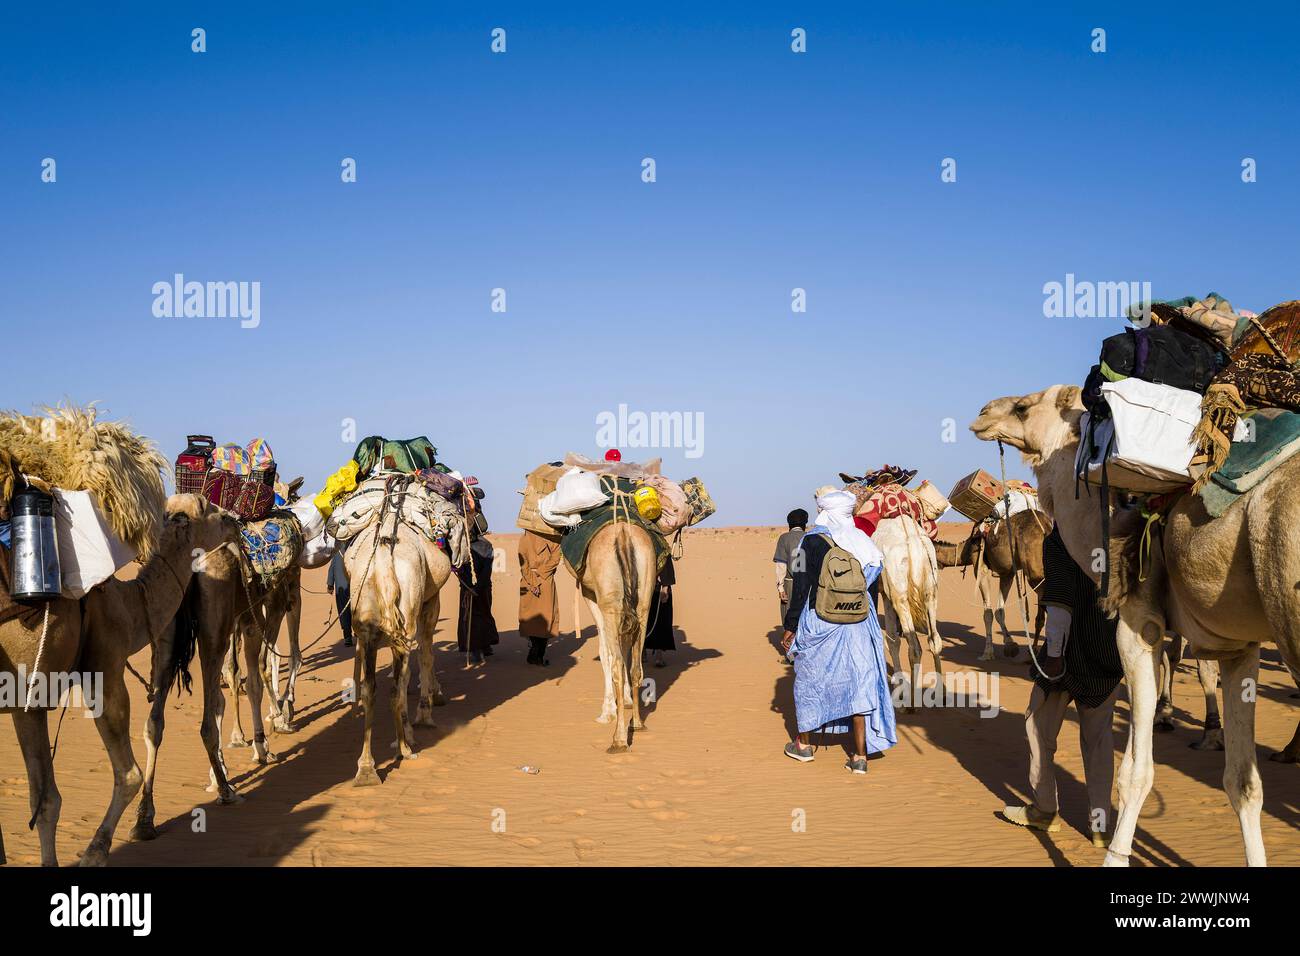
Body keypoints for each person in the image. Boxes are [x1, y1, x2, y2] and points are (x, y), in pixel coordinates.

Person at [1001, 526, 1123, 847]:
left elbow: (1059, 604)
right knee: (1099, 743)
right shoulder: (1120, 533)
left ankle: (1044, 809)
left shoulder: (1063, 538)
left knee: (1037, 725)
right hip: (1109, 653)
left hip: (1067, 656)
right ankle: (1099, 826)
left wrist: (1053, 656)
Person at [781, 490, 897, 774]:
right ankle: (860, 757)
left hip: (819, 621)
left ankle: (804, 745)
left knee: (810, 682)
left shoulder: (808, 542)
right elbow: (871, 588)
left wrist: (791, 626)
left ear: (822, 510)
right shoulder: (864, 543)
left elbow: (800, 586)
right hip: (859, 624)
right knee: (859, 683)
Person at [457, 522, 500, 665]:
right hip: (472, 587)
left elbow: (486, 570)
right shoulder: (461, 545)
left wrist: (474, 588)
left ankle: (480, 648)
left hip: (479, 588)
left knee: (478, 615)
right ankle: (481, 647)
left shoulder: (484, 546)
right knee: (476, 615)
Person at [518, 528, 562, 665]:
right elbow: (555, 558)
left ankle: (535, 653)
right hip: (545, 581)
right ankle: (537, 654)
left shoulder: (525, 538)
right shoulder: (553, 537)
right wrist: (540, 576)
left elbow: (523, 562)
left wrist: (532, 581)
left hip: (530, 580)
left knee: (534, 618)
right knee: (544, 618)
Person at [773, 509, 808, 639]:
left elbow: (781, 565)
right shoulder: (810, 536)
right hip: (809, 584)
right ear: (805, 523)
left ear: (789, 524)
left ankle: (791, 654)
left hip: (790, 583)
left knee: (788, 616)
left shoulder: (784, 538)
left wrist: (780, 588)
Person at [643, 555, 676, 667]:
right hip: (642, 588)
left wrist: (665, 586)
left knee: (660, 619)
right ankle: (642, 652)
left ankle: (658, 655)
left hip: (656, 588)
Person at [326, 549, 353, 647]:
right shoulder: (355, 549)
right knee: (356, 609)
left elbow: (331, 569)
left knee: (344, 612)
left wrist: (330, 585)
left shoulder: (337, 553)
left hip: (341, 588)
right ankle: (358, 634)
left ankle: (347, 637)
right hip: (355, 587)